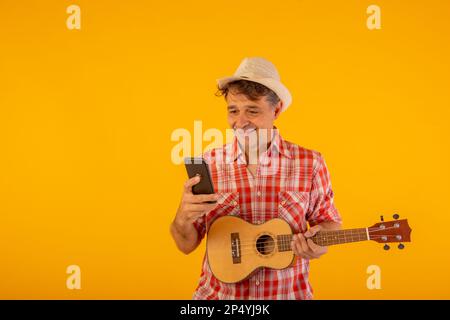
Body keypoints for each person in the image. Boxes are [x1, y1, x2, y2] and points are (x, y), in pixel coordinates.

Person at [170, 57, 342, 299]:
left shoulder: (310, 163)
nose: (240, 123)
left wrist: (319, 243)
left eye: (252, 111)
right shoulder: (207, 164)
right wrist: (182, 217)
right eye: (233, 111)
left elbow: (329, 221)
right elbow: (185, 245)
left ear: (277, 109)